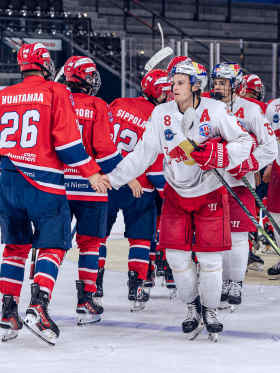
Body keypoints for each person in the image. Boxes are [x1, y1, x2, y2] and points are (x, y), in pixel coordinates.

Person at [101, 57, 253, 340]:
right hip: (176, 195)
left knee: (209, 260)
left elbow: (245, 143)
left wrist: (218, 155)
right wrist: (114, 178)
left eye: (180, 82)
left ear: (196, 85)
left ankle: (210, 310)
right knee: (176, 259)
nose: (173, 87)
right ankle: (192, 307)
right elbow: (142, 155)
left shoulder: (217, 110)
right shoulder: (161, 114)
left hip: (209, 193)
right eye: (172, 82)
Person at [0, 42, 109, 345]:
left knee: (15, 247)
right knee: (53, 245)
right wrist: (92, 173)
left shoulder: (3, 95)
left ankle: (7, 313)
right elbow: (67, 146)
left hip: (7, 181)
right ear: (46, 64)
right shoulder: (55, 92)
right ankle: (39, 307)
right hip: (43, 183)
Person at [96, 69, 169, 311]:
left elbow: (103, 140)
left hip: (108, 180)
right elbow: (155, 168)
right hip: (141, 187)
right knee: (140, 238)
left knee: (98, 237)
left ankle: (93, 284)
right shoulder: (159, 116)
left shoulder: (118, 103)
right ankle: (137, 284)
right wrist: (170, 195)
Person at [211, 62, 277, 308]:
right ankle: (217, 282)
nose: (218, 86)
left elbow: (269, 147)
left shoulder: (250, 111)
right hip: (209, 184)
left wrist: (249, 163)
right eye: (216, 81)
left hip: (239, 183)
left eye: (223, 82)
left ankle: (235, 282)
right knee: (214, 237)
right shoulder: (204, 107)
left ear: (236, 85)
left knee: (238, 236)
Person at [63, 56, 122, 325]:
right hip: (92, 184)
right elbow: (105, 149)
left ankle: (38, 297)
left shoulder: (57, 99)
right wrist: (125, 174)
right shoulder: (98, 105)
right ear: (86, 78)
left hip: (58, 185)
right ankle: (86, 297)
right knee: (90, 244)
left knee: (49, 245)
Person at [263, 97, 280, 278]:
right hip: (277, 166)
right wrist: (269, 164)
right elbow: (268, 138)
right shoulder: (273, 105)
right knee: (275, 214)